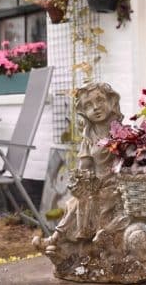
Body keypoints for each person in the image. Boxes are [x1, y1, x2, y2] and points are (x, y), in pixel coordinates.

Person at [40, 82, 127, 252]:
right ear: (83, 112)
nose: (95, 108)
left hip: (116, 184)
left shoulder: (120, 133)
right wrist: (80, 183)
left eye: (100, 101)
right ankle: (58, 239)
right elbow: (85, 166)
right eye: (88, 105)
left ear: (111, 101)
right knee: (75, 201)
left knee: (91, 201)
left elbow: (128, 162)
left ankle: (63, 240)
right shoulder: (89, 137)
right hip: (96, 184)